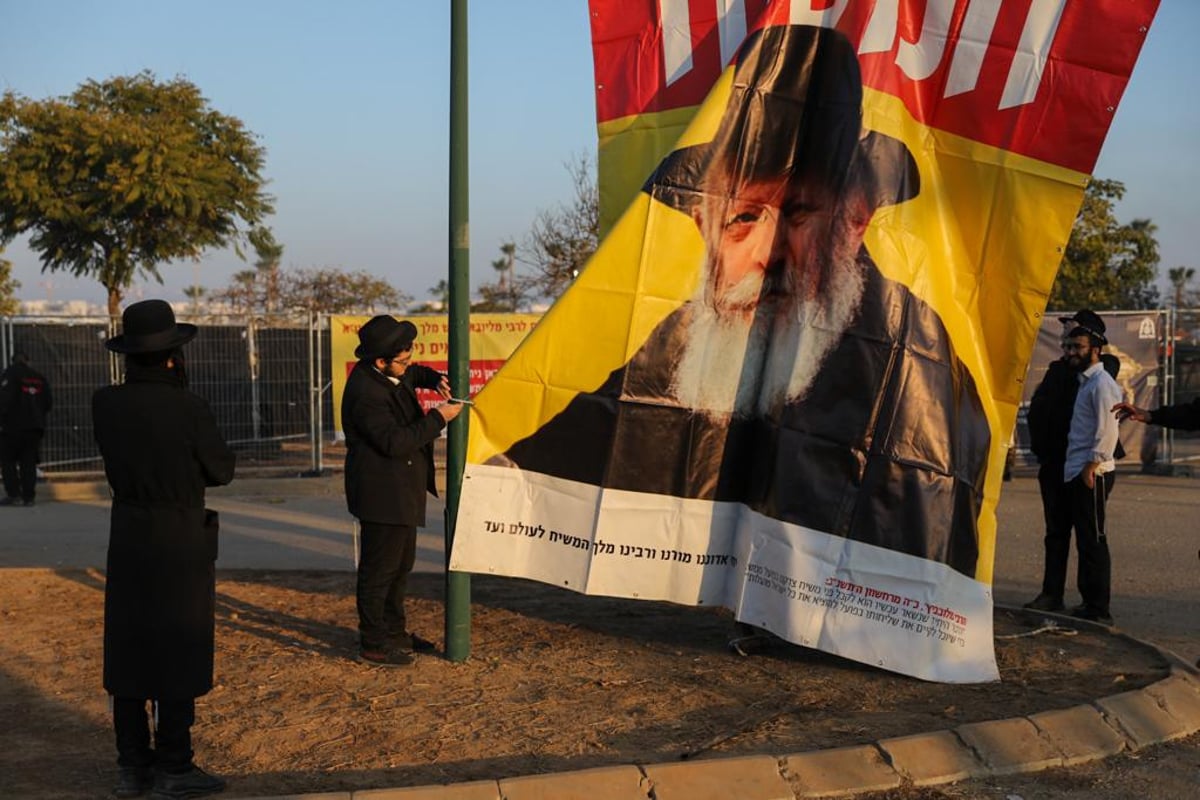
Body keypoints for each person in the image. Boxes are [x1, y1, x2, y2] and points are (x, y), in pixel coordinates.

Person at [498, 24, 990, 577]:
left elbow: (922, 514)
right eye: (744, 218)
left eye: (800, 214)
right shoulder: (684, 341)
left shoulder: (914, 354)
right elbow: (566, 449)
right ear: (701, 221)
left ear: (857, 217)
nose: (769, 254)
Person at [93, 299, 235, 799]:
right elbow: (220, 470)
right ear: (174, 357)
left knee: (130, 650)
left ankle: (132, 766)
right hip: (180, 539)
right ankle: (175, 764)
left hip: (129, 534)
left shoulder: (104, 403)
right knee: (178, 649)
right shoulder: (189, 408)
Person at [342, 315, 463, 667]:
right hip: (381, 494)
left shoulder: (390, 371)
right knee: (379, 571)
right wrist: (440, 418)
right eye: (402, 360)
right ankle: (373, 642)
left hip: (402, 491)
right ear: (380, 361)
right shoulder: (366, 393)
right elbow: (394, 442)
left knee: (400, 567)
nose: (408, 365)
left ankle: (395, 632)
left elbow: (415, 372)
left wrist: (435, 379)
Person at [1025, 310, 1122, 613]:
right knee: (1056, 533)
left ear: (1094, 345)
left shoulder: (1100, 376)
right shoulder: (1062, 370)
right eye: (1066, 343)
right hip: (1058, 465)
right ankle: (1051, 595)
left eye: (1076, 342)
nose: (1069, 348)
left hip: (1085, 466)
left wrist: (1092, 464)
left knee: (1089, 536)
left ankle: (1095, 605)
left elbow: (1106, 428)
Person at [0, 351, 52, 506]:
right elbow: (48, 402)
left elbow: (4, 400)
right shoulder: (38, 377)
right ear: (28, 361)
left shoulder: (9, 375)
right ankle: (29, 497)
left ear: (13, 361)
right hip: (34, 428)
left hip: (11, 427)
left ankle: (14, 494)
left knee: (8, 462)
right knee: (28, 462)